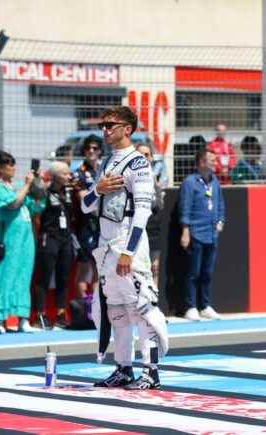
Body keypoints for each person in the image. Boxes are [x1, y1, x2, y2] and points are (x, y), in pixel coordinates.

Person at [81, 106, 168, 390]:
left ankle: (151, 371)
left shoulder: (138, 164)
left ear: (127, 129)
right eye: (103, 124)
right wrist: (98, 189)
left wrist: (129, 252)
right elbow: (86, 205)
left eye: (110, 125)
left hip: (128, 245)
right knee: (113, 310)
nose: (105, 129)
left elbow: (143, 210)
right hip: (105, 248)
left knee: (141, 308)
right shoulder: (108, 162)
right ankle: (123, 368)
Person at [0, 150, 43, 334]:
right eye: (10, 165)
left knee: (23, 276)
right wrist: (27, 185)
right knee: (3, 276)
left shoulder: (12, 186)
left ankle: (23, 319)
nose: (14, 168)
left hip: (24, 239)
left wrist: (37, 187)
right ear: (0, 167)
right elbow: (13, 204)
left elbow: (34, 206)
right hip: (8, 239)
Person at [179, 149, 225, 321]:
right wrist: (185, 230)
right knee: (193, 272)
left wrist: (221, 220)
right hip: (195, 233)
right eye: (211, 159)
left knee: (207, 272)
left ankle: (205, 305)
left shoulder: (215, 182)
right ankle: (190, 306)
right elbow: (185, 207)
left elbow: (220, 204)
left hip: (212, 234)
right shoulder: (190, 182)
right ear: (201, 162)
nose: (214, 162)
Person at [35, 161, 76, 330]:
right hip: (49, 236)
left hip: (65, 237)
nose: (69, 176)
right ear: (56, 175)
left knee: (63, 276)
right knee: (44, 276)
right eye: (65, 174)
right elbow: (37, 215)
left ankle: (60, 314)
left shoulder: (68, 192)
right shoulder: (45, 191)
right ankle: (39, 315)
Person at [73, 136, 102, 303]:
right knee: (85, 267)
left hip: (102, 225)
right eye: (88, 148)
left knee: (100, 267)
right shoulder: (79, 172)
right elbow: (86, 202)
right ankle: (84, 308)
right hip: (85, 226)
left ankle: (98, 306)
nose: (91, 151)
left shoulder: (103, 169)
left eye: (95, 148)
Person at [136, 143, 164, 289]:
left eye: (146, 155)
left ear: (152, 158)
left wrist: (157, 187)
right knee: (138, 269)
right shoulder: (129, 177)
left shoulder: (155, 178)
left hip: (153, 227)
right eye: (140, 154)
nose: (143, 158)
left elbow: (159, 205)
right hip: (135, 229)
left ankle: (153, 303)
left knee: (154, 267)